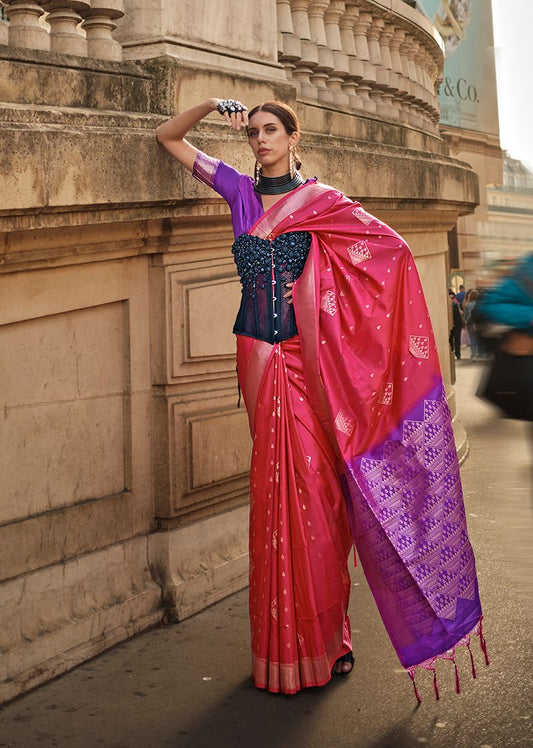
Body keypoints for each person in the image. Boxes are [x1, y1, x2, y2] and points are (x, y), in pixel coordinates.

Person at [156, 98, 487, 698]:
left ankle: (330, 640)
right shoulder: (238, 192)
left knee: (317, 503)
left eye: (270, 131)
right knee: (274, 503)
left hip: (311, 371)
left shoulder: (325, 204)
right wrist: (209, 107)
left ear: (291, 136)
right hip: (258, 363)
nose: (260, 140)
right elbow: (169, 137)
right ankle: (280, 652)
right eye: (253, 132)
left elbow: (392, 254)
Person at [464, 289, 482, 359]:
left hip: (470, 323)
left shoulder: (468, 305)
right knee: (479, 338)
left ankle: (474, 354)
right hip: (478, 323)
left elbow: (466, 315)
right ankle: (480, 353)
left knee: (472, 339)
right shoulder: (479, 305)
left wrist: (465, 321)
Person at [449, 290, 464, 359]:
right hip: (449, 326)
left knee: (457, 340)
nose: (451, 299)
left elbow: (461, 313)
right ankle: (451, 352)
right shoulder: (446, 306)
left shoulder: (457, 305)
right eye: (450, 298)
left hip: (457, 324)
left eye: (453, 298)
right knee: (450, 340)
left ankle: (458, 354)